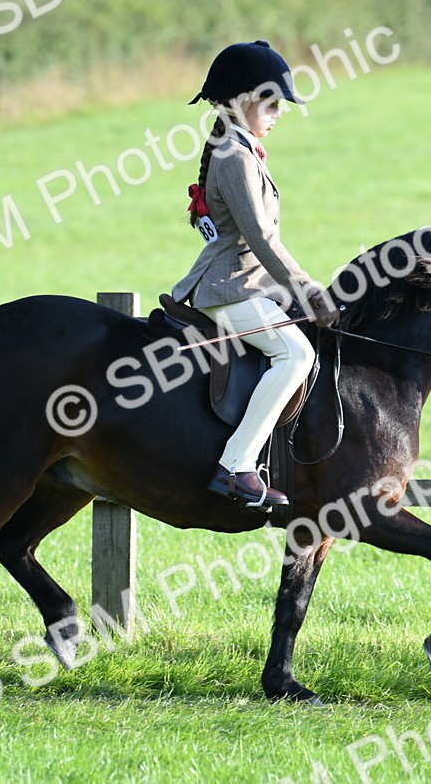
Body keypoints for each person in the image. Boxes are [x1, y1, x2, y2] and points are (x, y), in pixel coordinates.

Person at [171, 40, 339, 511]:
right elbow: (262, 238)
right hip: (228, 290)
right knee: (295, 353)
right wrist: (307, 290)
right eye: (270, 102)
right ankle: (235, 466)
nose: (278, 112)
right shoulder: (234, 157)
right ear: (238, 100)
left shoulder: (240, 149)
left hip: (246, 284)